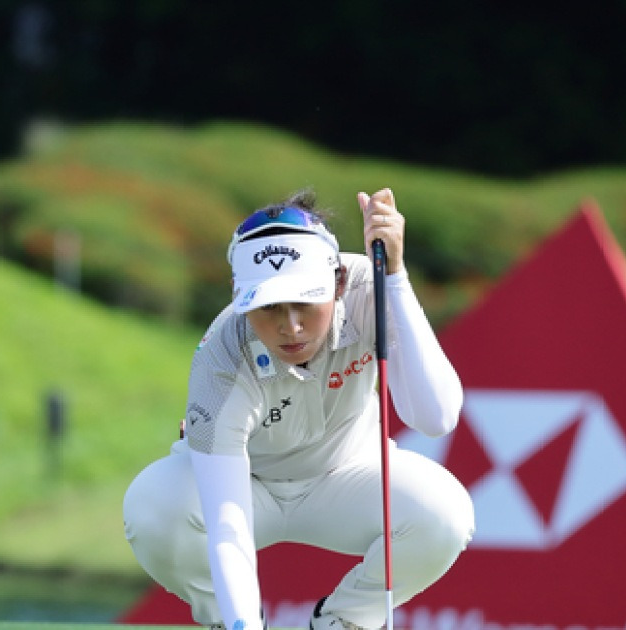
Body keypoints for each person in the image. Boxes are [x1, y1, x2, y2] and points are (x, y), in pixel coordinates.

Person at [123, 188, 474, 630]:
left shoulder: (371, 287)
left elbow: (435, 417)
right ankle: (229, 620)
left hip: (346, 477)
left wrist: (397, 278)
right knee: (151, 506)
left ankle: (343, 621)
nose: (290, 327)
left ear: (339, 283)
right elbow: (229, 527)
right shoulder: (222, 359)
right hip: (251, 488)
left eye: (305, 302)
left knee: (444, 512)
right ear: (240, 296)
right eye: (269, 307)